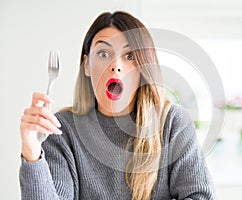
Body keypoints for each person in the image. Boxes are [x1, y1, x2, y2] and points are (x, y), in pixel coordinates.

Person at [19, 11, 216, 200]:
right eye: (104, 54)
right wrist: (32, 153)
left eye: (129, 56)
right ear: (86, 65)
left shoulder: (172, 123)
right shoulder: (61, 130)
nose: (116, 65)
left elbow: (201, 196)